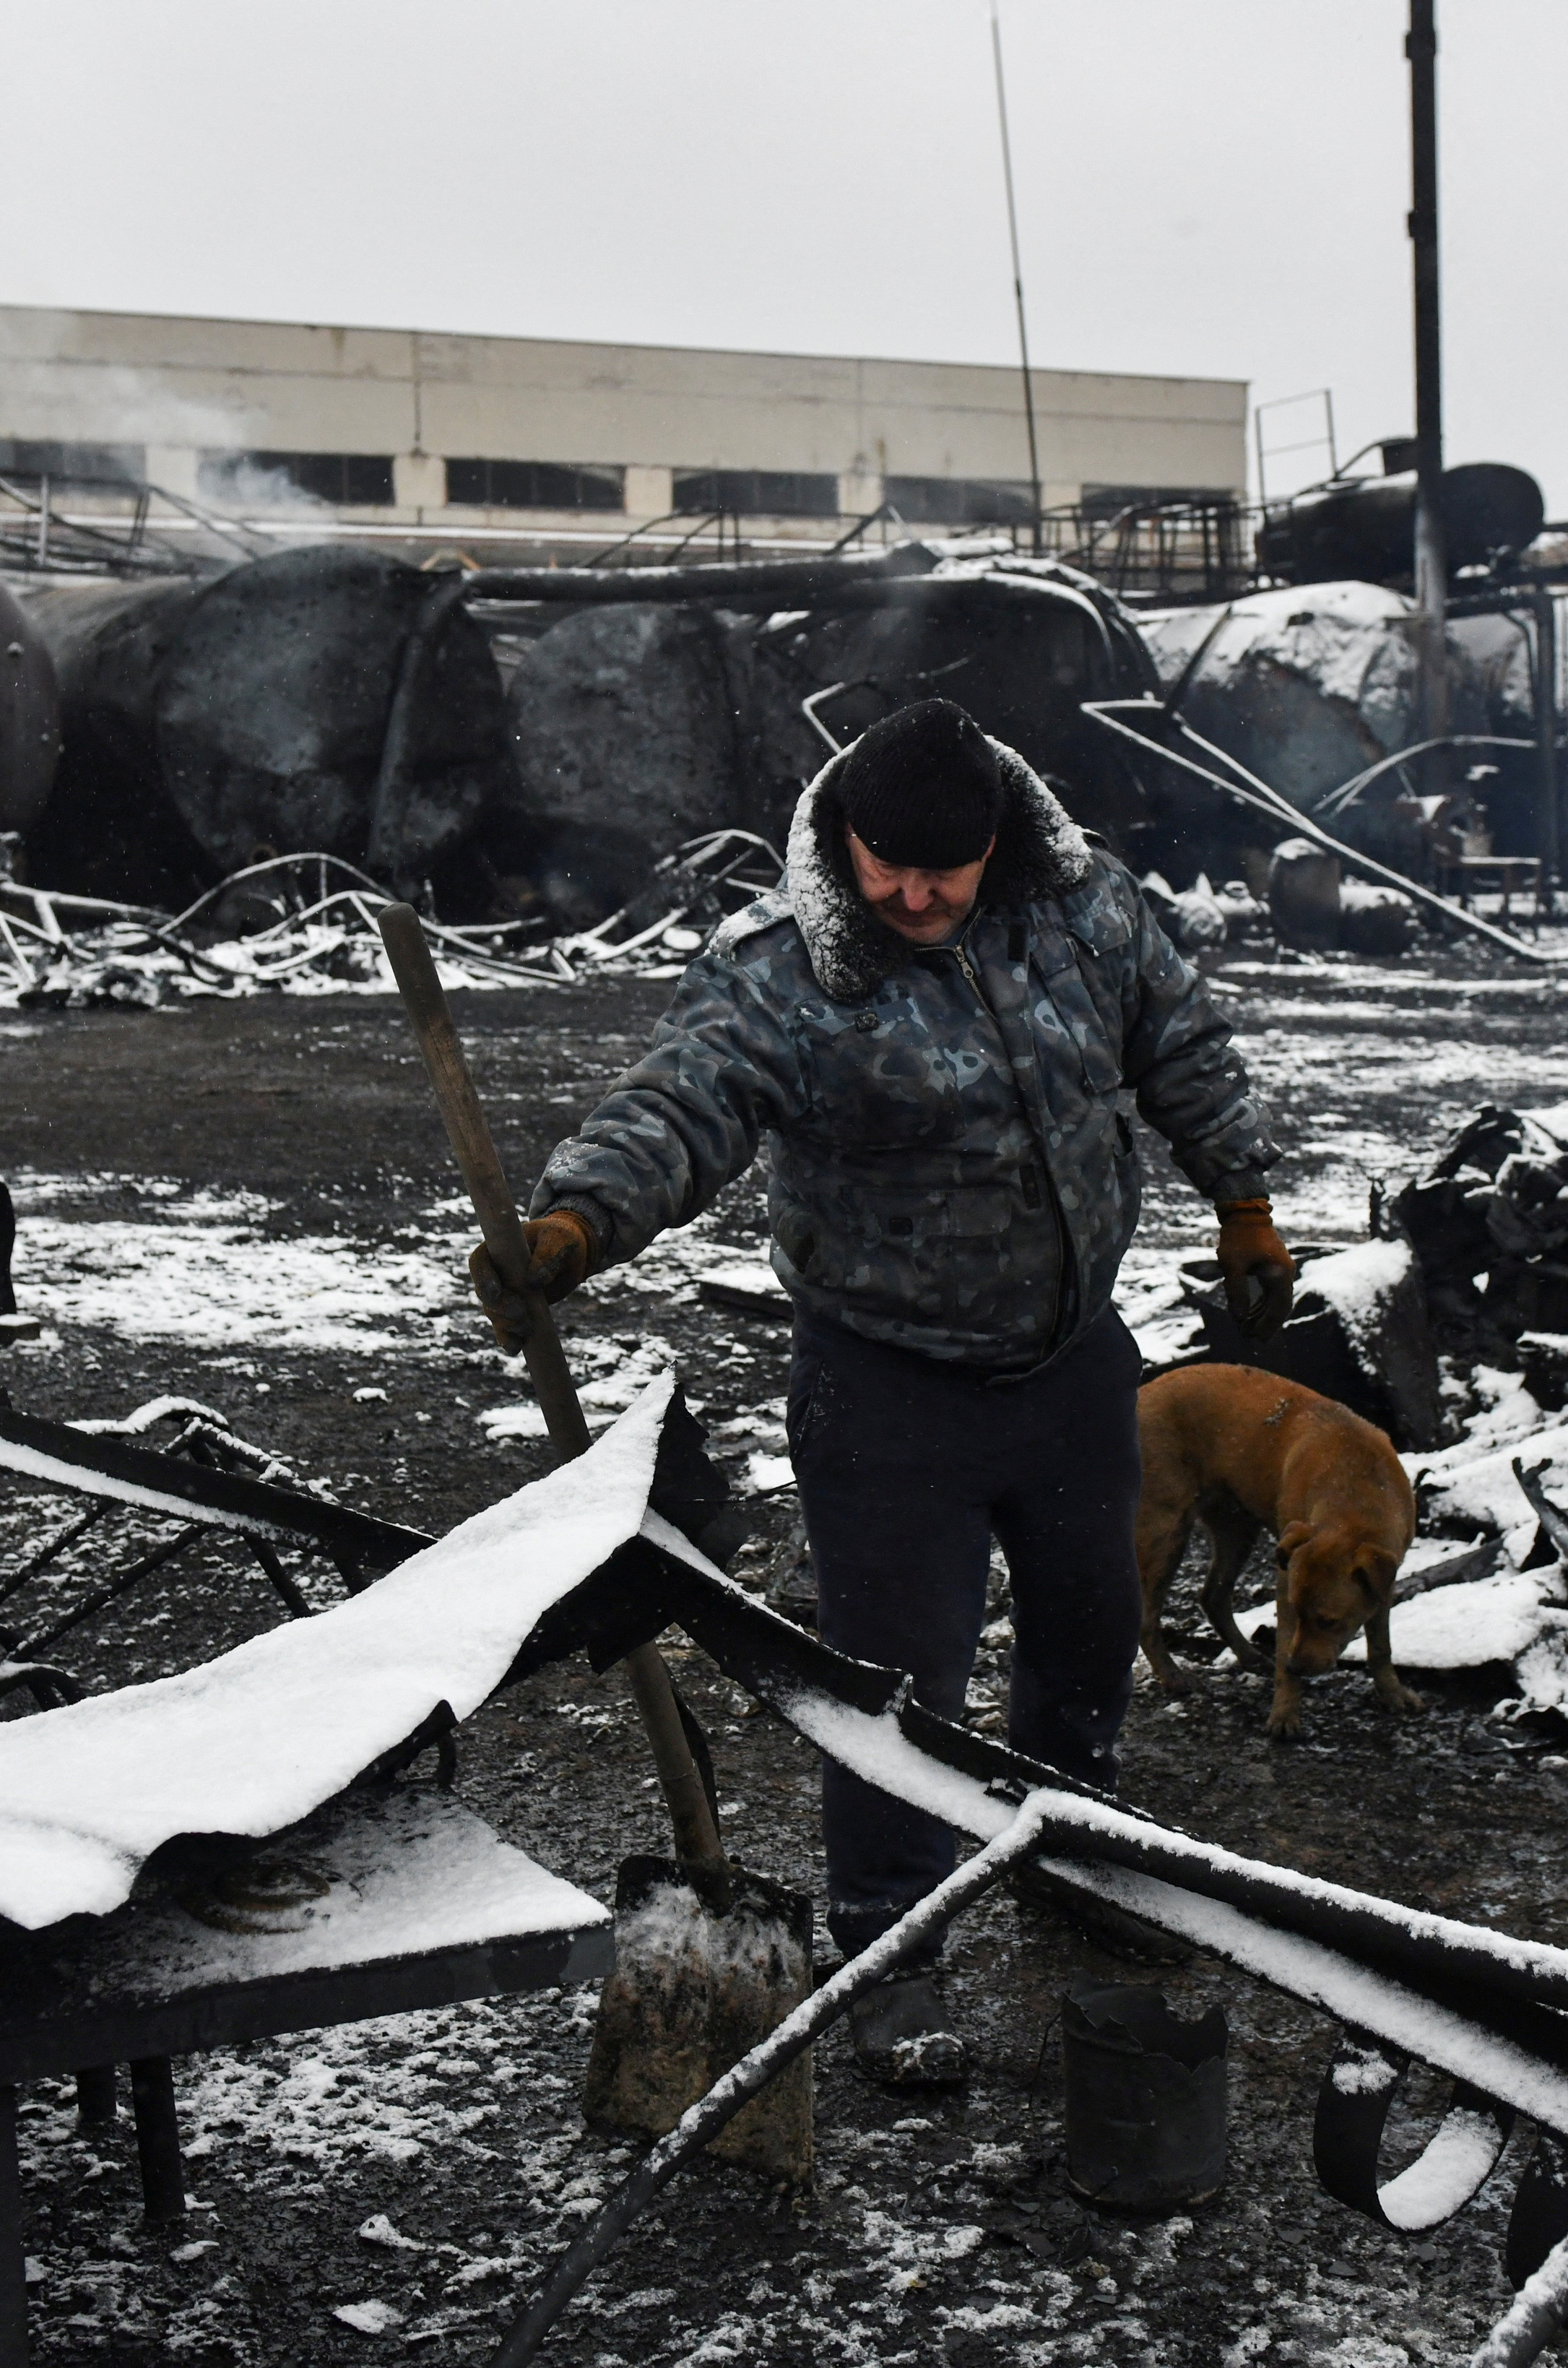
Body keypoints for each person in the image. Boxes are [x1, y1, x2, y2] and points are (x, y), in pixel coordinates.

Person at [468, 696, 1289, 2082]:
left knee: (1090, 1634)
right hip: (890, 1382)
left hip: (1075, 1363)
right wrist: (577, 1225)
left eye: (943, 868)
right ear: (843, 834)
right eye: (884, 863)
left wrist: (1245, 1199)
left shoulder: (1086, 913)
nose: (911, 893)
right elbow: (686, 1100)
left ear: (998, 841)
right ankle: (891, 1950)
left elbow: (1181, 1044)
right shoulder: (785, 975)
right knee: (897, 1692)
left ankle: (1072, 1851)